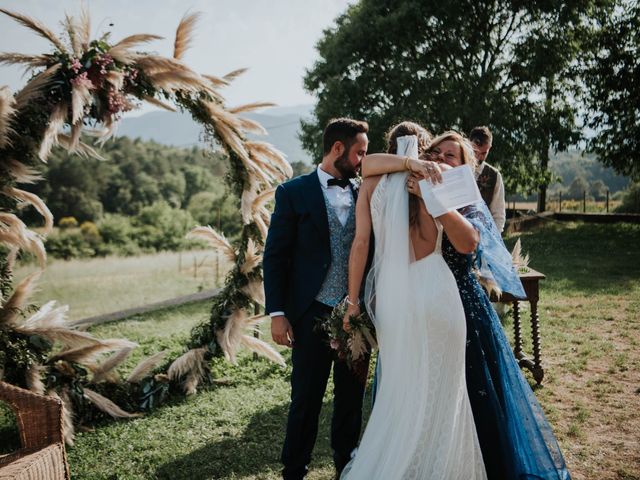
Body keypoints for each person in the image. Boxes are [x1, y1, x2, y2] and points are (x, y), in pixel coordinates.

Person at [369, 131, 571, 479]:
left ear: (465, 167)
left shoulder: (460, 195)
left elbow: (468, 243)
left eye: (452, 156)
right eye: (438, 152)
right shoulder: (409, 186)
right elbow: (370, 170)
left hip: (460, 302)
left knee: (476, 387)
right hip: (419, 299)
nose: (443, 159)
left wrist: (435, 199)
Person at [339, 124, 487, 479]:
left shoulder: (371, 183)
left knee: (399, 391)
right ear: (421, 150)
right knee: (441, 392)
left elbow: (360, 245)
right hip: (434, 289)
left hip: (393, 297)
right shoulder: (439, 178)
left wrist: (354, 301)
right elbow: (469, 243)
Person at [263, 118, 369, 480]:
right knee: (305, 399)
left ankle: (346, 466)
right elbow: (275, 256)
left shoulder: (364, 192)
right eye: (359, 152)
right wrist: (278, 313)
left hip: (356, 315)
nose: (362, 160)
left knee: (350, 399)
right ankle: (294, 470)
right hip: (310, 313)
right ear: (337, 149)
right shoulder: (293, 192)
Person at [469, 126, 506, 232]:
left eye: (484, 153)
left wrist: (494, 240)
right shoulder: (456, 168)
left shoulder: (494, 176)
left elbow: (498, 215)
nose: (479, 157)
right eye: (475, 152)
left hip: (482, 236)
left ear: (489, 147)